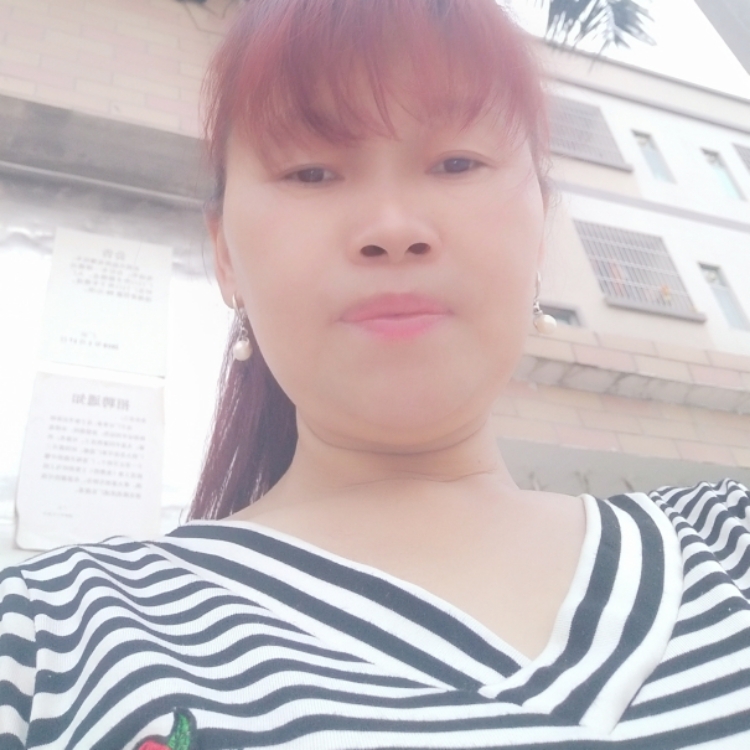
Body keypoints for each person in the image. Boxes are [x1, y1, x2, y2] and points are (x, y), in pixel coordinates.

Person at [2, 0, 750, 747]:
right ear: (226, 254)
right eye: (311, 172)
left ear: (542, 224)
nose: (393, 228)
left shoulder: (729, 544)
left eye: (457, 163)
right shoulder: (48, 638)